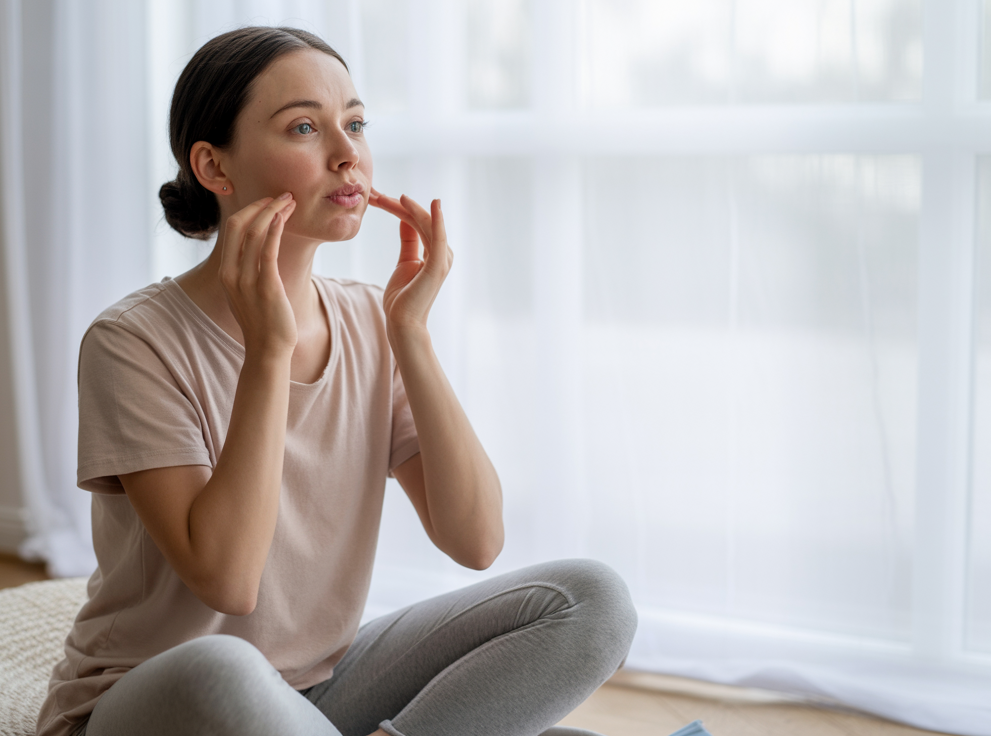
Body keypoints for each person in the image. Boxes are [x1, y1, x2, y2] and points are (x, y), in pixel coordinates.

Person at [35, 25, 637, 736]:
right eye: (304, 127)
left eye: (354, 123)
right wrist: (267, 354)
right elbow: (227, 579)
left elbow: (475, 540)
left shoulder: (369, 322)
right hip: (162, 701)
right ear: (214, 167)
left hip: (321, 695)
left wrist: (409, 335)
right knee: (221, 666)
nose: (348, 154)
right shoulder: (132, 342)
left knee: (591, 600)